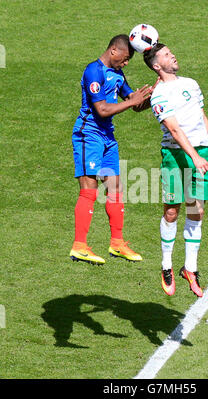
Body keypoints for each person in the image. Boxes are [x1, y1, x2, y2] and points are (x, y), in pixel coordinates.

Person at [70, 34, 153, 265]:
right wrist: (132, 101)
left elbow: (134, 104)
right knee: (89, 188)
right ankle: (79, 246)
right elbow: (102, 110)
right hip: (89, 135)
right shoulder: (93, 71)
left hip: (107, 137)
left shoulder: (117, 74)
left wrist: (152, 97)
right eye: (125, 59)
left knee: (115, 187)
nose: (125, 64)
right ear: (113, 51)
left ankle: (117, 243)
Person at [143, 44, 208, 297]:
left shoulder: (192, 83)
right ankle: (166, 265)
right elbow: (174, 129)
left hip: (201, 153)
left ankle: (190, 269)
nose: (172, 55)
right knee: (172, 211)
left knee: (196, 210)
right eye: (165, 55)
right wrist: (194, 156)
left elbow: (202, 115)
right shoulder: (158, 95)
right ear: (156, 66)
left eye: (171, 52)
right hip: (175, 156)